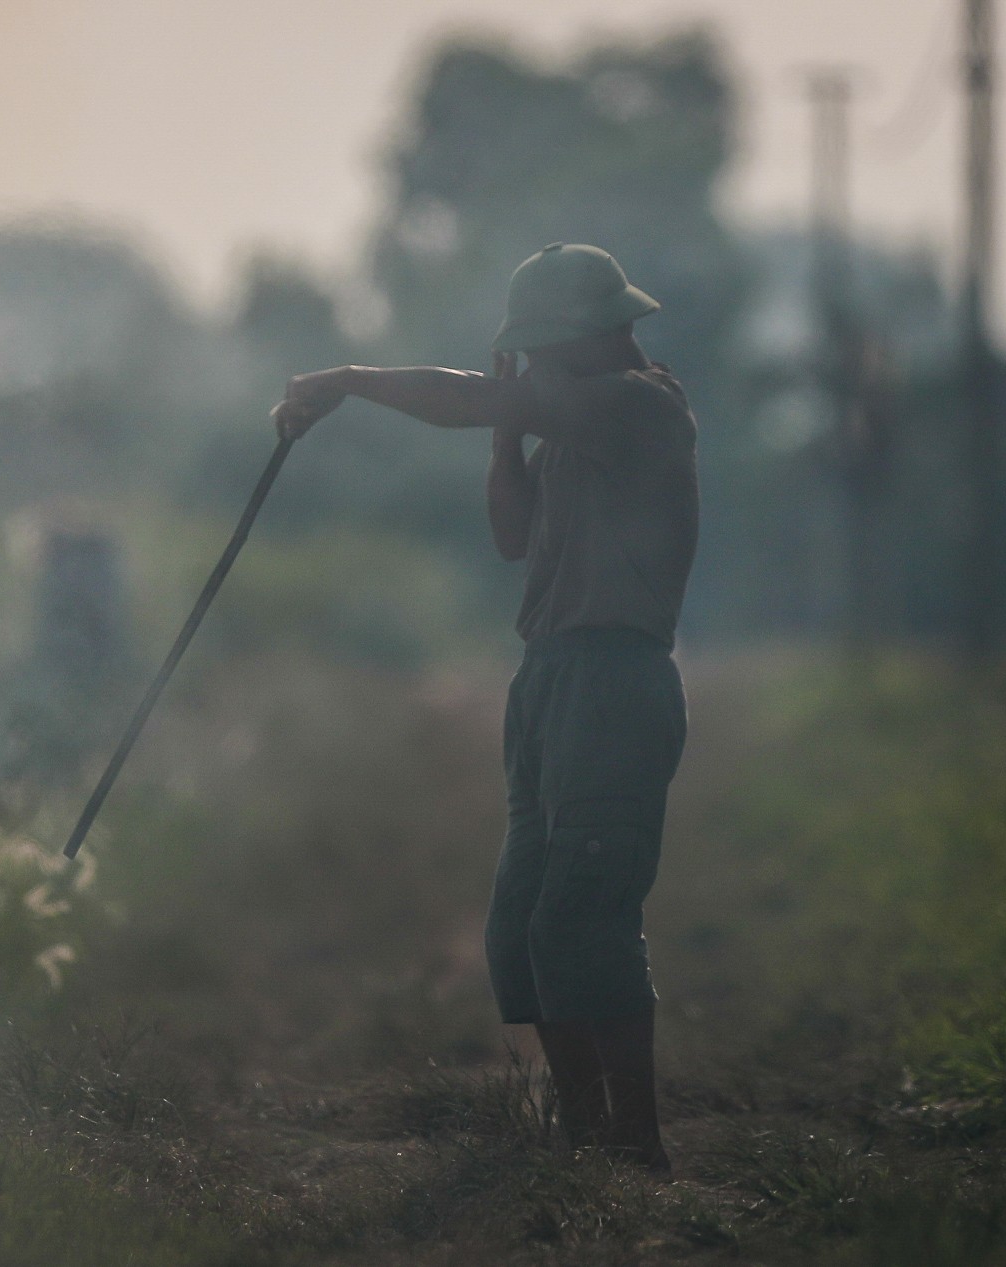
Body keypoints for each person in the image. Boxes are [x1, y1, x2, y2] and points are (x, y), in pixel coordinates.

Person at [270, 243, 697, 1173]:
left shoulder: (636, 407)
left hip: (614, 682)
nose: (532, 366)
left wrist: (346, 378)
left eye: (543, 349)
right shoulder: (567, 429)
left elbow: (463, 397)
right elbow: (511, 536)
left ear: (582, 341)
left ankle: (637, 1141)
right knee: (522, 928)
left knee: (586, 913)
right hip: (549, 679)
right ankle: (588, 1135)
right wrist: (510, 434)